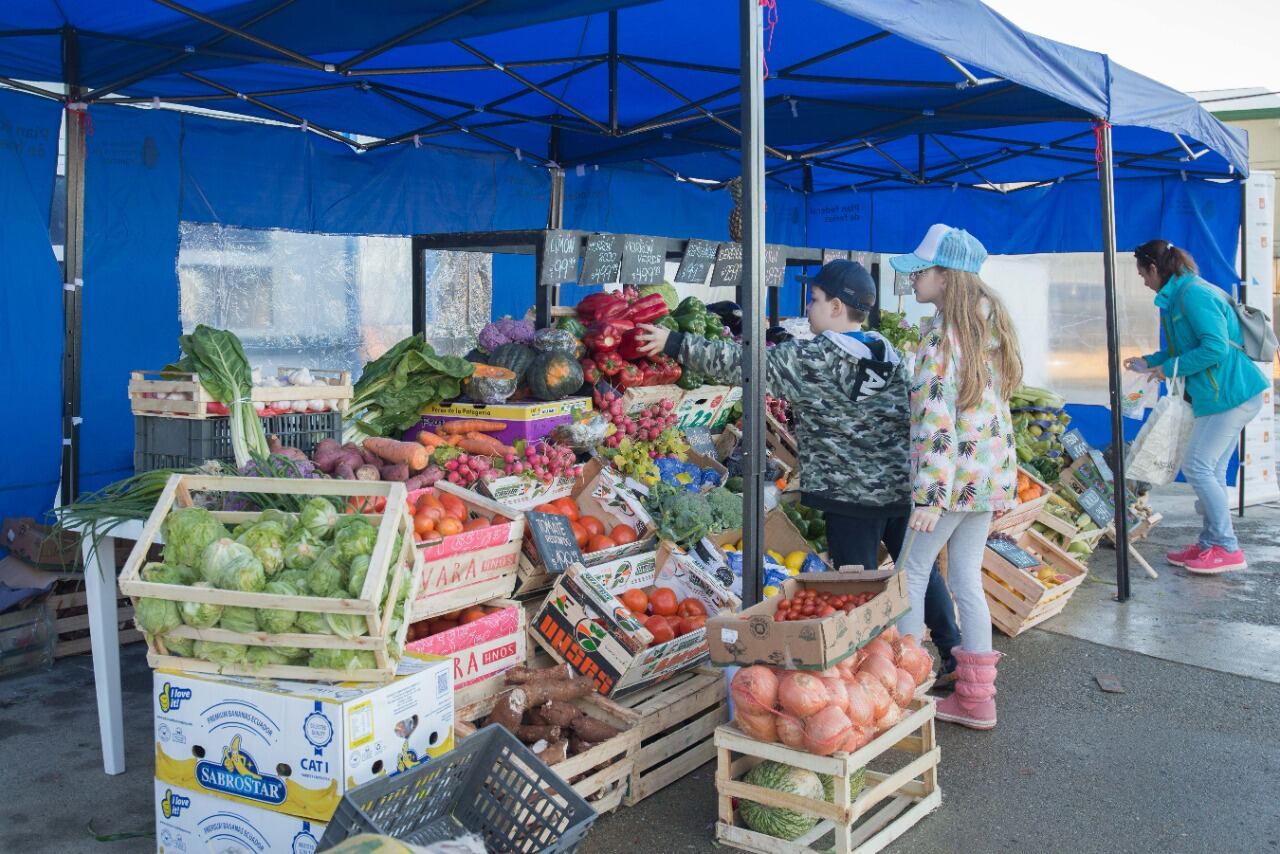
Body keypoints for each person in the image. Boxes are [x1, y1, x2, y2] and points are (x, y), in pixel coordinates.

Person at [634, 260, 962, 677]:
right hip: (898, 488)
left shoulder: (815, 358)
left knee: (855, 593)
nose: (809, 308)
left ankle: (866, 675)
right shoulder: (888, 353)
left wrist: (675, 342)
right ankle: (954, 655)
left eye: (815, 300)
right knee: (920, 571)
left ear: (838, 307)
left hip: (848, 498)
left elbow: (743, 363)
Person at [889, 224, 1022, 730]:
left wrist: (928, 496)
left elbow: (936, 424)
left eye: (921, 270)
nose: (914, 278)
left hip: (945, 485)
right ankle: (976, 700)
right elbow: (995, 420)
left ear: (945, 276)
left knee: (909, 576)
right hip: (983, 482)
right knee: (968, 580)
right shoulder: (988, 331)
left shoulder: (941, 339)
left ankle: (906, 691)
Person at [1124, 240, 1268, 574]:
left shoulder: (1193, 295)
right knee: (1211, 470)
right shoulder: (1180, 295)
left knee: (1198, 467)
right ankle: (1211, 544)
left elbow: (1215, 349)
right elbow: (1185, 348)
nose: (1144, 281)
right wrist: (1149, 362)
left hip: (1232, 393)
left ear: (1155, 269)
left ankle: (1226, 547)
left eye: (1143, 274)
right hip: (1219, 396)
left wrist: (1169, 369)